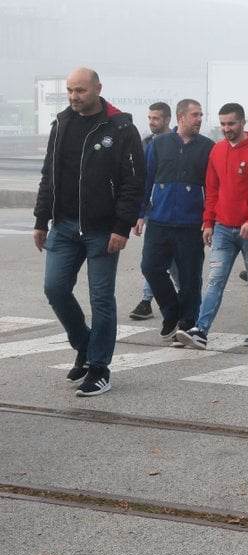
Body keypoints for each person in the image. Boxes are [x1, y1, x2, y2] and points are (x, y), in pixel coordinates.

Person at [33, 67, 145, 396]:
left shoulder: (121, 127)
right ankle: (84, 344)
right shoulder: (61, 124)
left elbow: (134, 182)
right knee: (55, 289)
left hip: (102, 230)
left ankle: (99, 368)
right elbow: (49, 174)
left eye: (80, 90)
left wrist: (121, 227)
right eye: (70, 90)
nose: (74, 96)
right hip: (64, 226)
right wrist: (41, 219)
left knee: (101, 299)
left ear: (98, 88)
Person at [175, 103, 248, 349]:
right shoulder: (217, 150)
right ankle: (201, 330)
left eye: (231, 123)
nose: (227, 128)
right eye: (223, 124)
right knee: (215, 279)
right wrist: (208, 222)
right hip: (222, 229)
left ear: (243, 123)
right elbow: (212, 189)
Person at [137, 99, 213, 343]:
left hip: (191, 224)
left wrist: (209, 220)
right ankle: (171, 312)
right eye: (195, 115)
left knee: (190, 278)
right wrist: (140, 214)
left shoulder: (208, 147)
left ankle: (187, 325)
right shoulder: (159, 144)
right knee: (150, 267)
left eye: (200, 115)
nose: (199, 119)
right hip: (159, 220)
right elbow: (146, 180)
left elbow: (213, 187)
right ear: (181, 117)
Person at [128, 101, 173, 321]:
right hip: (154, 211)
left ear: (167, 119)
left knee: (173, 265)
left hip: (175, 213)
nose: (151, 122)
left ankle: (185, 302)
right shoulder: (146, 143)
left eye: (156, 118)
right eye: (149, 118)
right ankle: (147, 301)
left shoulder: (176, 143)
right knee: (153, 261)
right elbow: (143, 180)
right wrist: (140, 214)